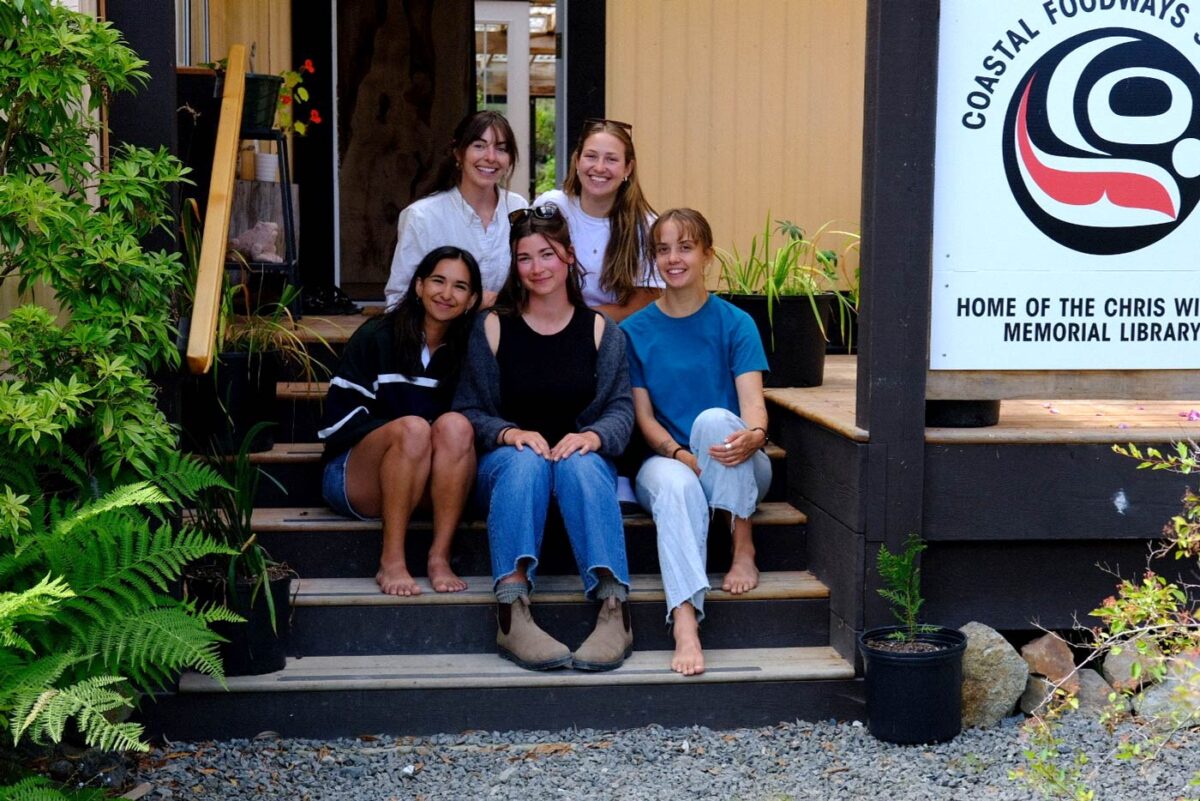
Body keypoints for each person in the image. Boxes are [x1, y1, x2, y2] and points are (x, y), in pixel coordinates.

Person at [454, 203, 635, 672]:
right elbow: (468, 410)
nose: (537, 268)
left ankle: (614, 609)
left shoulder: (601, 330)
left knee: (579, 462)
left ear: (569, 257)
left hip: (579, 464)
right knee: (525, 461)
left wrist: (594, 437)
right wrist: (509, 431)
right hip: (508, 467)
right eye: (525, 258)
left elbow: (620, 408)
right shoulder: (493, 326)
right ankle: (513, 612)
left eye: (547, 254)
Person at [620, 208, 772, 677]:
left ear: (707, 254)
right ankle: (685, 619)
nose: (673, 258)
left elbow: (753, 406)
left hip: (739, 464)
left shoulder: (735, 322)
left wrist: (755, 437)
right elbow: (643, 420)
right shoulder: (634, 332)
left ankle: (741, 543)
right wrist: (680, 456)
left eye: (685, 247)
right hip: (667, 460)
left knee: (712, 420)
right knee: (677, 488)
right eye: (663, 249)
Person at [320, 246, 483, 596]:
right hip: (356, 477)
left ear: (471, 301)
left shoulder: (472, 348)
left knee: (456, 426)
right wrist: (410, 434)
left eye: (459, 287)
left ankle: (439, 556)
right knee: (413, 429)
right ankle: (391, 560)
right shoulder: (377, 335)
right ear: (419, 286)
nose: (446, 294)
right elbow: (335, 424)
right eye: (437, 281)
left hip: (432, 484)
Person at [384, 111, 528, 310]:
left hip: (504, 335)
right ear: (458, 153)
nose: (491, 157)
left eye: (501, 148)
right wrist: (473, 302)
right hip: (442, 337)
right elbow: (398, 299)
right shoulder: (422, 216)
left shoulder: (517, 208)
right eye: (479, 146)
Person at [533, 119, 659, 322]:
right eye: (591, 156)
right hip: (546, 325)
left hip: (614, 333)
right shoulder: (551, 207)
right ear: (577, 161)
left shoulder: (645, 225)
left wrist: (578, 321)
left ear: (628, 168)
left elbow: (644, 300)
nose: (599, 168)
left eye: (611, 159)